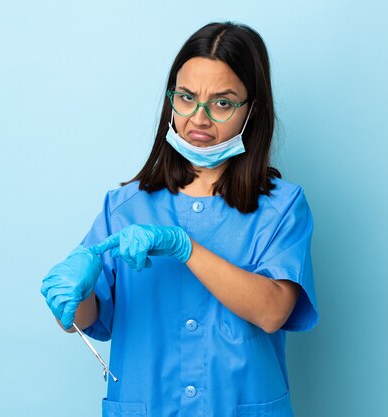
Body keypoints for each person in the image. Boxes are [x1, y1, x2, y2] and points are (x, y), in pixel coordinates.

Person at [40, 21, 319, 417]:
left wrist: (184, 247)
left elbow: (273, 312)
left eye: (222, 103)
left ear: (252, 110)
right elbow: (86, 320)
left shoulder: (282, 208)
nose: (199, 118)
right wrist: (73, 291)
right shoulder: (123, 207)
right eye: (186, 98)